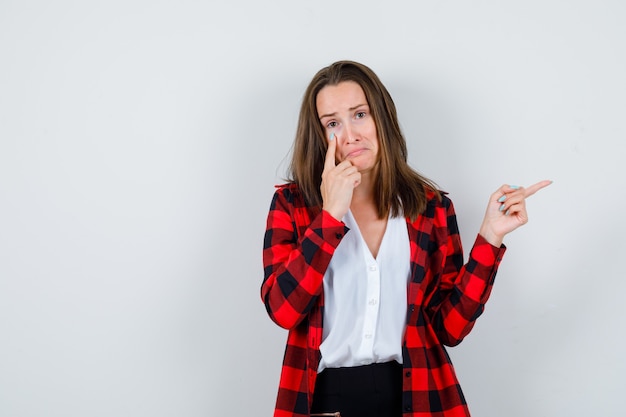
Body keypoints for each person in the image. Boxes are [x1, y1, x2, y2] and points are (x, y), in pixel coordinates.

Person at [260, 60, 551, 417]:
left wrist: (489, 238)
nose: (350, 134)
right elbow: (283, 310)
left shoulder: (431, 209)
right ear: (320, 136)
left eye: (360, 114)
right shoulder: (293, 206)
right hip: (326, 402)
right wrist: (331, 216)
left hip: (418, 398)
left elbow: (450, 328)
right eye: (332, 123)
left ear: (381, 116)